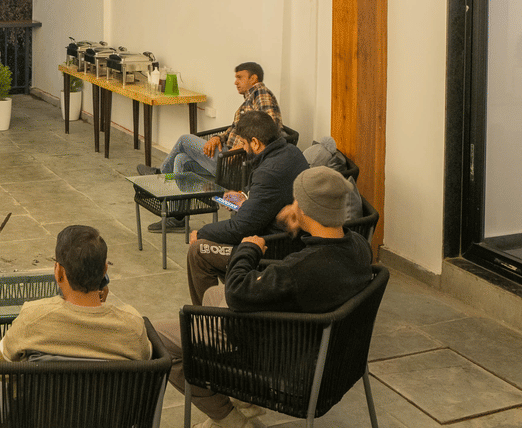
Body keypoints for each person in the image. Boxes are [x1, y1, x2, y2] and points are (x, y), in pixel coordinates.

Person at [157, 167, 374, 428]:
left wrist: (247, 249)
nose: (292, 206)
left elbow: (237, 293)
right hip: (326, 357)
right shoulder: (359, 247)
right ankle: (242, 400)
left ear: (306, 208)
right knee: (214, 293)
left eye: (296, 201)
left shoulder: (299, 270)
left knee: (158, 338)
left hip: (279, 361)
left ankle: (232, 421)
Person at [184, 112, 308, 304]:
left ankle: (207, 318)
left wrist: (201, 232)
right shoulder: (292, 152)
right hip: (288, 240)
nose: (241, 147)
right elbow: (271, 195)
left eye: (243, 143)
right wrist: (244, 196)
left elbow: (240, 228)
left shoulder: (268, 172)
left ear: (256, 143)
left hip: (271, 248)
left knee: (198, 251)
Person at [0, 225, 152, 362]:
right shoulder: (132, 326)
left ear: (59, 272)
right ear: (104, 270)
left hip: (45, 399)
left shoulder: (32, 319)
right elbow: (147, 359)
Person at [139, 62, 281, 200]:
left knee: (185, 139)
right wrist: (218, 138)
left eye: (240, 77)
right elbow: (235, 128)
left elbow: (270, 128)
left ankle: (159, 175)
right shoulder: (250, 99)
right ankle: (177, 217)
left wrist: (242, 147)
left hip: (234, 162)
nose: (235, 82)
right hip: (226, 155)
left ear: (253, 78)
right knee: (180, 159)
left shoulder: (261, 94)